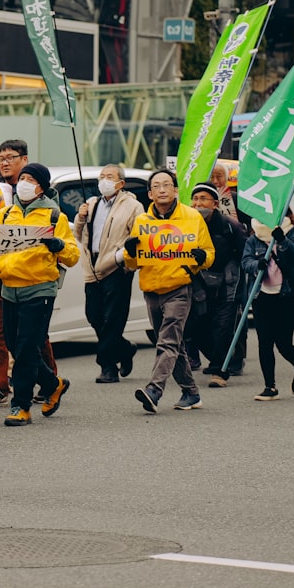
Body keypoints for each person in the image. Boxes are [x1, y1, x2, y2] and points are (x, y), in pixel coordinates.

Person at [0, 163, 79, 427]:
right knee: (14, 345)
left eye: (31, 179)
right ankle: (54, 384)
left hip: (39, 289)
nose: (24, 183)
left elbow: (73, 255)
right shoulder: (7, 214)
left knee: (27, 348)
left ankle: (21, 405)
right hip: (9, 289)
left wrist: (59, 245)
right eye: (23, 178)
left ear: (42, 186)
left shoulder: (55, 217)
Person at [0, 139, 59, 408]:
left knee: (32, 337)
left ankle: (45, 383)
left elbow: (59, 240)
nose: (4, 162)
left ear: (24, 159)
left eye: (10, 157)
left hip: (32, 280)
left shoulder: (44, 198)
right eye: (0, 158)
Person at [123, 168, 214, 413]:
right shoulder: (142, 222)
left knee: (167, 341)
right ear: (150, 194)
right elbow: (132, 262)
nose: (162, 190)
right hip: (151, 287)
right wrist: (129, 252)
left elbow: (209, 254)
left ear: (175, 190)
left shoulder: (192, 217)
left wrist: (200, 257)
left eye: (166, 185)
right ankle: (191, 393)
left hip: (179, 287)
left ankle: (154, 389)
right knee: (175, 345)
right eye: (156, 186)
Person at [73, 164, 143, 383]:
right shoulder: (92, 203)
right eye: (101, 176)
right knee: (94, 315)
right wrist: (80, 217)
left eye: (109, 177)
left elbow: (136, 237)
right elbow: (78, 233)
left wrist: (119, 258)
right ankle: (123, 348)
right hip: (92, 265)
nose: (104, 180)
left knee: (112, 317)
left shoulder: (133, 206)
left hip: (116, 265)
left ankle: (107, 366)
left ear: (120, 183)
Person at [241, 213, 294, 401]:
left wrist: (282, 241)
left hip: (286, 296)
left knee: (284, 344)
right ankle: (269, 386)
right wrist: (257, 264)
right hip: (262, 295)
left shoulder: (291, 231)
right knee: (265, 342)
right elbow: (245, 261)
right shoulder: (254, 237)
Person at [187, 182, 246, 387]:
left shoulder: (231, 226)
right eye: (195, 199)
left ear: (215, 203)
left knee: (223, 326)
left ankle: (220, 371)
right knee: (197, 326)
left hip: (228, 283)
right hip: (200, 283)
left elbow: (244, 254)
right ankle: (226, 358)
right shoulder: (188, 225)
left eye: (203, 199)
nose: (198, 203)